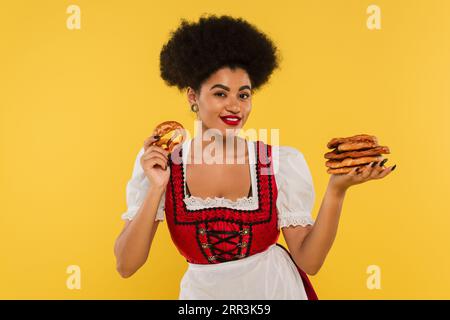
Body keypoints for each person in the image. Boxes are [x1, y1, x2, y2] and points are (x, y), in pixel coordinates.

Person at [114, 14, 396, 300]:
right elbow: (126, 265)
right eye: (220, 94)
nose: (235, 106)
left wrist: (337, 189)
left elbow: (309, 262)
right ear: (192, 96)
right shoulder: (162, 163)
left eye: (244, 95)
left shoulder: (278, 163)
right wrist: (157, 187)